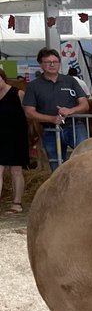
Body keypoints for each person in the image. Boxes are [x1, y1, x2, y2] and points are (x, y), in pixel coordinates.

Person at [24, 47, 90, 171]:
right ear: (41, 64)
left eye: (55, 61)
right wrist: (52, 119)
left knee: (84, 158)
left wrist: (70, 111)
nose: (52, 64)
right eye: (48, 62)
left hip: (74, 126)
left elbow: (85, 105)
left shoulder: (70, 81)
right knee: (56, 166)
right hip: (49, 130)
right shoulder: (33, 86)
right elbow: (29, 112)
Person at [0, 69, 28, 213]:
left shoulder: (18, 94)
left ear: (3, 78)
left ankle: (17, 203)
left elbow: (28, 114)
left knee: (16, 170)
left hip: (16, 137)